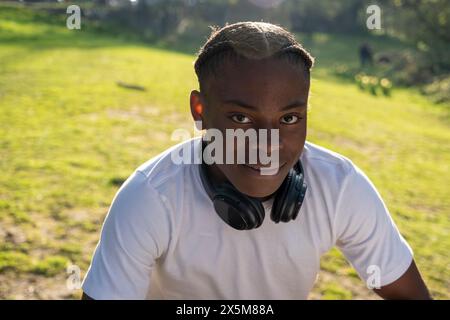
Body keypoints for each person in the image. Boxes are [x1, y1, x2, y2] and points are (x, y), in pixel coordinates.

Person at [81, 22, 430, 300]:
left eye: (289, 119)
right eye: (241, 119)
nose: (267, 146)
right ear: (200, 111)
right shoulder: (150, 197)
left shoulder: (339, 186)